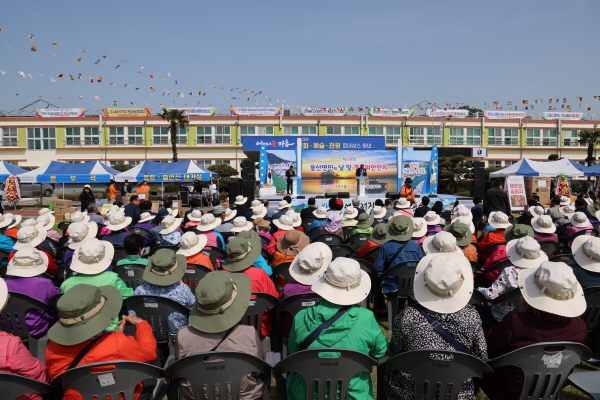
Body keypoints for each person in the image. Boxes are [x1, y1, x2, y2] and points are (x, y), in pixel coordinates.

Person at [385, 253, 487, 400]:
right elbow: (481, 357)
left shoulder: (407, 316)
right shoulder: (472, 316)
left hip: (409, 392)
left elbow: (396, 353)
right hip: (457, 392)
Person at [482, 262, 587, 400]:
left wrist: (523, 314)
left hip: (506, 389)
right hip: (550, 388)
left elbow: (486, 350)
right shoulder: (579, 327)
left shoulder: (515, 322)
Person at [286, 258, 388, 400]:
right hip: (354, 395)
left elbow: (294, 354)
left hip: (306, 393)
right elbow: (380, 351)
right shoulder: (366, 317)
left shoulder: (301, 317)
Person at [45, 284, 157, 400]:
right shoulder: (119, 342)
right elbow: (149, 353)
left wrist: (114, 336)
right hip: (124, 395)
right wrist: (141, 324)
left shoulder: (52, 348)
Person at [175, 271, 265, 400]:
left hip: (196, 396)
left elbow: (179, 370)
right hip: (242, 396)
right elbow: (259, 368)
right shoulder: (249, 334)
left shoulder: (182, 335)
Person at [60, 238, 133, 331]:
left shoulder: (66, 284)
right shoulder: (112, 278)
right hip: (109, 329)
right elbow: (127, 298)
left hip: (79, 331)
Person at [478, 236, 548, 330]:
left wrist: (477, 291)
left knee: (477, 308)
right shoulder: (544, 271)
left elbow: (491, 294)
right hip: (531, 316)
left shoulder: (509, 271)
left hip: (503, 316)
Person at [222, 233, 280, 337]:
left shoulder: (220, 276)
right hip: (259, 328)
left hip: (228, 330)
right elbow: (273, 300)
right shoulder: (261, 274)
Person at [129, 249, 195, 341]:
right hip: (177, 337)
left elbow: (132, 314)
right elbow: (193, 307)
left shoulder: (139, 291)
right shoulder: (183, 289)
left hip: (146, 336)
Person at [5, 246, 60, 338]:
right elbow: (57, 303)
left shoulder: (4, 284)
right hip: (37, 329)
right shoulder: (46, 284)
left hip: (8, 327)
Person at [374, 215, 423, 295]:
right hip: (411, 285)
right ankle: (401, 306)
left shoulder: (386, 246)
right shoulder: (415, 245)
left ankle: (381, 307)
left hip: (391, 286)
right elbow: (421, 264)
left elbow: (378, 268)